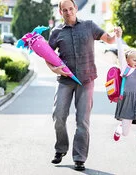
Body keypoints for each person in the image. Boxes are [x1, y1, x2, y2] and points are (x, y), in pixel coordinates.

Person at [46, 0, 118, 171]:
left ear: (76, 9)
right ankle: (61, 149)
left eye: (71, 8)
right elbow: (47, 56)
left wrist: (116, 35)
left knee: (82, 121)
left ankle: (79, 158)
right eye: (65, 10)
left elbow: (108, 39)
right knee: (58, 116)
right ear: (60, 12)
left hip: (86, 80)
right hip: (65, 80)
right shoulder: (56, 32)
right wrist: (55, 70)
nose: (68, 12)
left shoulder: (89, 26)